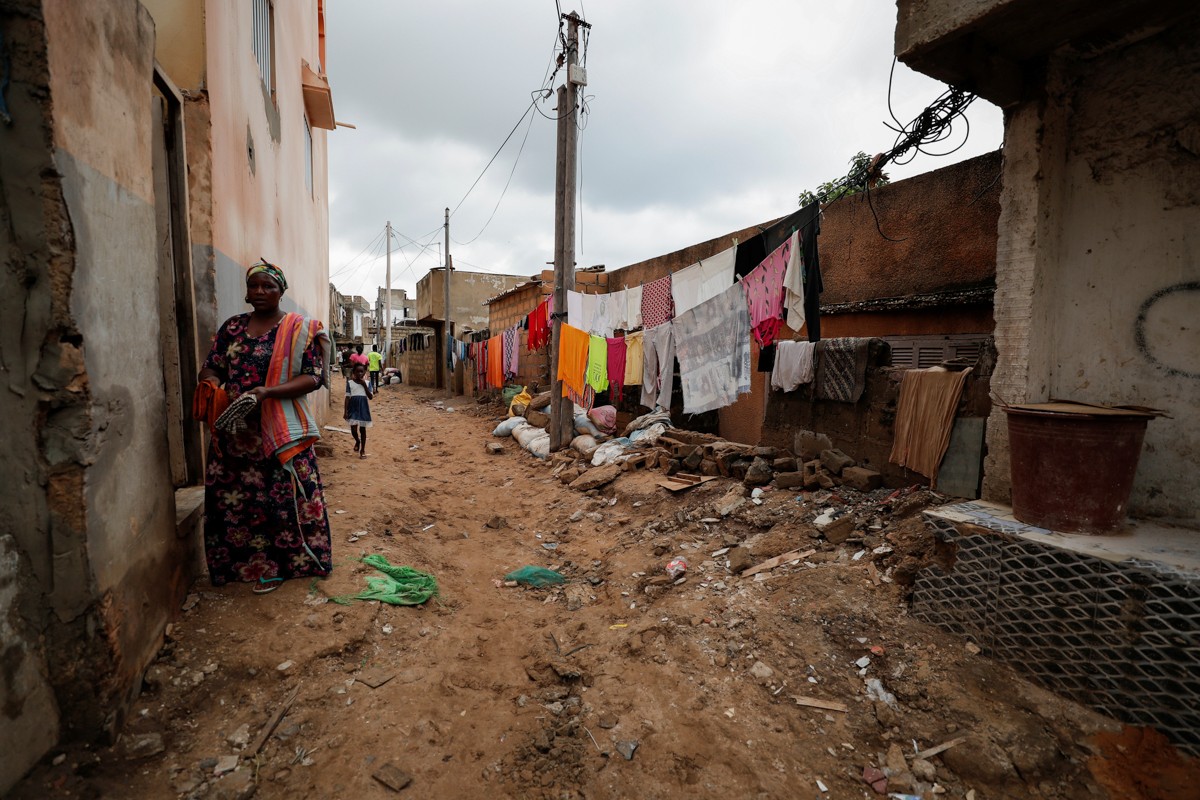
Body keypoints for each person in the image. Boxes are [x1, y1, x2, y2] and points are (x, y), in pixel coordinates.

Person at [195, 259, 333, 595]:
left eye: (268, 286)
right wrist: (214, 388)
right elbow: (211, 368)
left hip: (280, 428)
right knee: (237, 501)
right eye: (254, 285)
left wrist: (267, 392)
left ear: (280, 292)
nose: (259, 291)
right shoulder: (231, 328)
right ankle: (237, 567)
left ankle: (285, 565)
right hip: (235, 432)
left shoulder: (298, 329)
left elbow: (313, 377)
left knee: (284, 497)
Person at [344, 362, 374, 458]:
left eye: (362, 372)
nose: (360, 374)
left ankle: (363, 450)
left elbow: (370, 397)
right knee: (353, 429)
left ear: (365, 372)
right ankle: (357, 440)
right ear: (354, 372)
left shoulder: (368, 383)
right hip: (353, 407)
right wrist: (345, 411)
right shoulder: (350, 383)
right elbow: (347, 397)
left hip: (363, 408)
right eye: (357, 372)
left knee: (363, 429)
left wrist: (364, 385)